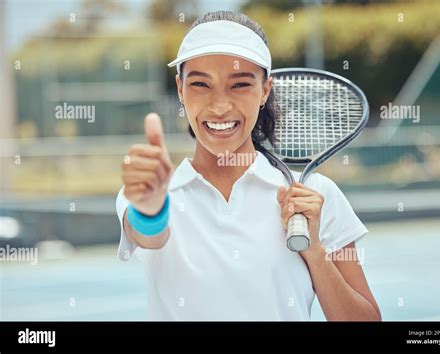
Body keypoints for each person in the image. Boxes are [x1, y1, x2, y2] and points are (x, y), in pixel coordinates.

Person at [116, 11, 381, 321]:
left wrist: (315, 250)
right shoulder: (151, 194)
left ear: (265, 91)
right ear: (180, 89)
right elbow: (150, 233)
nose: (219, 106)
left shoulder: (316, 195)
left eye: (239, 85)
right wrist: (150, 209)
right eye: (201, 84)